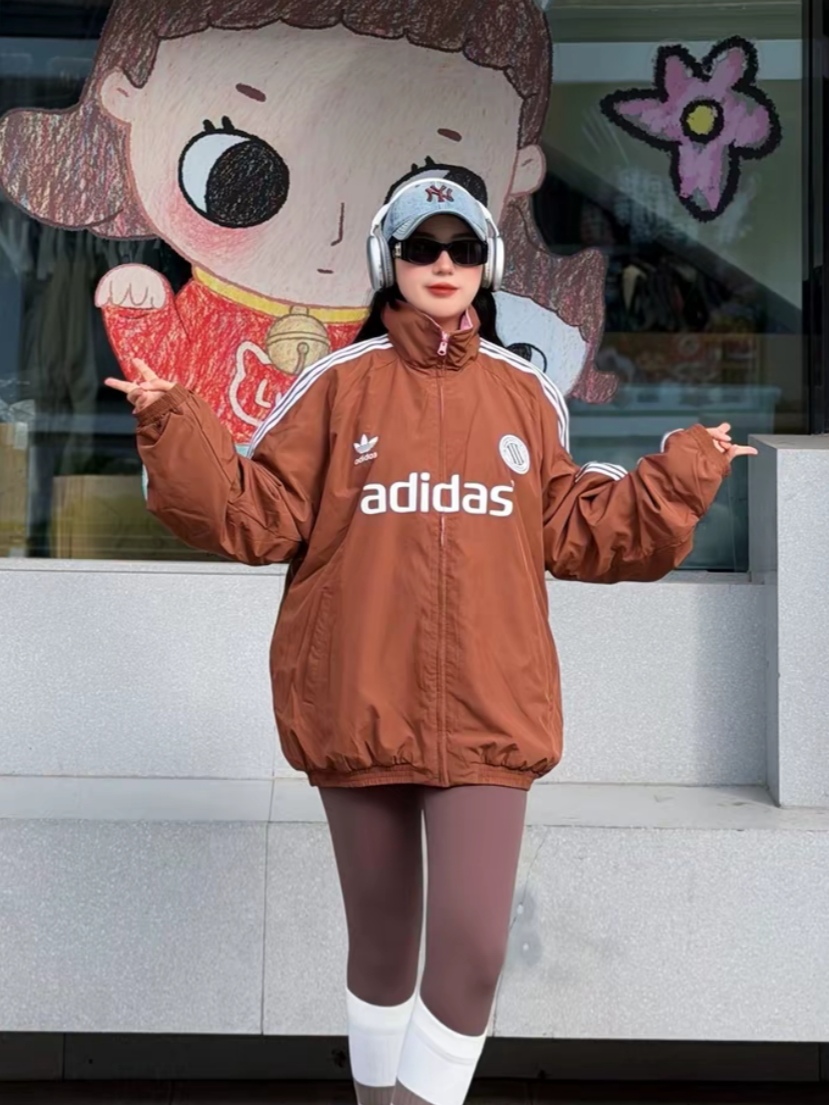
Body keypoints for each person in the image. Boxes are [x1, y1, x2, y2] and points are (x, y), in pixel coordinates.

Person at [106, 179, 756, 1105]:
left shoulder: (525, 395)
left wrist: (681, 476)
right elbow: (257, 515)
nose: (443, 264)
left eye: (463, 247)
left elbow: (579, 530)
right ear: (390, 261)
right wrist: (172, 425)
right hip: (356, 700)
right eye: (421, 247)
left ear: (488, 262)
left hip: (489, 709)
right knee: (380, 944)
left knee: (472, 951)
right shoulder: (336, 386)